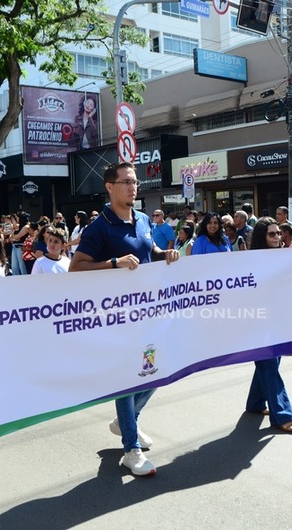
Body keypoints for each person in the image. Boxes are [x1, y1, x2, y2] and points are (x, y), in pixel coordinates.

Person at [69, 162, 179, 476]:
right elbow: (76, 268)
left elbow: (149, 249)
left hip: (148, 311)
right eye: (126, 182)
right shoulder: (99, 226)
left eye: (135, 182)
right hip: (117, 316)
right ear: (110, 187)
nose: (133, 187)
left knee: (157, 369)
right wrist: (113, 263)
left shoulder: (143, 219)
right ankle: (131, 449)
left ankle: (125, 420)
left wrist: (165, 254)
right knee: (127, 379)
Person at [245, 217, 292, 433]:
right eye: (272, 234)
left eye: (279, 233)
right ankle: (282, 415)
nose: (277, 237)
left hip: (279, 317)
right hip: (257, 319)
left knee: (271, 362)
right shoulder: (251, 260)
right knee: (269, 364)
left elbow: (288, 284)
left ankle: (255, 402)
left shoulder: (285, 257)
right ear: (262, 237)